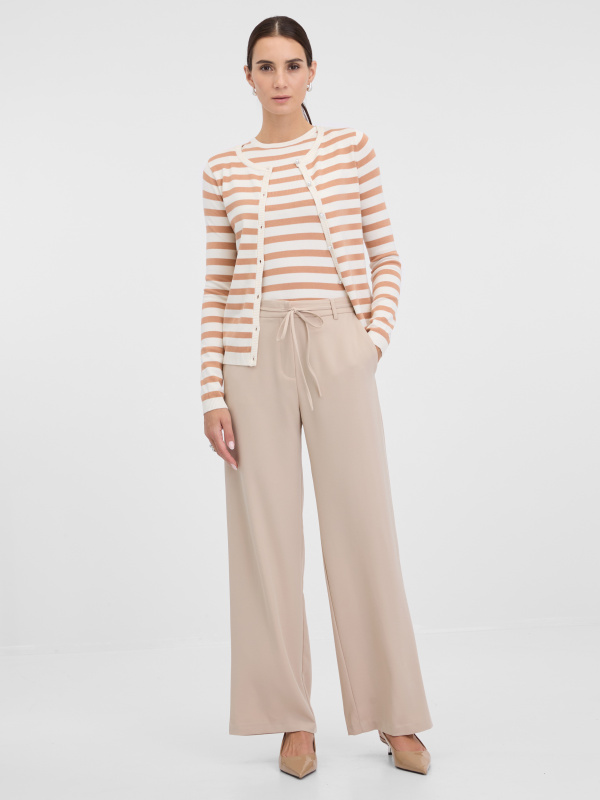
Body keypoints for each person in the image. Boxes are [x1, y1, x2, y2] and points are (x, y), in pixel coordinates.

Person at [201, 15, 433, 779]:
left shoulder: (349, 148)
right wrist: (212, 392)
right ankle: (291, 720)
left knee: (363, 528)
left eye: (292, 64)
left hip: (338, 343)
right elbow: (217, 284)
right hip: (252, 355)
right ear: (247, 76)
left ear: (311, 71)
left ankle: (394, 713)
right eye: (265, 66)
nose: (279, 79)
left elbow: (386, 255)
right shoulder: (224, 168)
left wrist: (368, 345)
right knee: (266, 541)